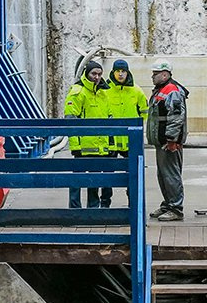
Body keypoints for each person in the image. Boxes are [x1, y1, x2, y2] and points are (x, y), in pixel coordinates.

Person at [64, 60, 112, 208]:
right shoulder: (78, 92)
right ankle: (75, 209)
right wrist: (75, 146)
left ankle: (93, 209)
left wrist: (109, 144)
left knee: (94, 180)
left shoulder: (104, 92)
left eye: (99, 74)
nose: (97, 77)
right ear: (86, 73)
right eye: (93, 74)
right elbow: (71, 120)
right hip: (83, 146)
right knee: (77, 180)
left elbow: (109, 119)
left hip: (99, 146)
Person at [147, 61, 188, 221]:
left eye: (155, 74)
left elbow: (176, 118)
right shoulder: (162, 90)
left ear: (165, 74)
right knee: (164, 175)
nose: (152, 76)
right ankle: (168, 204)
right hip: (162, 141)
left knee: (171, 176)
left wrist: (172, 139)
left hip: (169, 143)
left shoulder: (172, 91)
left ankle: (176, 209)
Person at [104, 59, 149, 206]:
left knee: (133, 174)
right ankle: (105, 204)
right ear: (113, 72)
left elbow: (145, 111)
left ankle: (133, 204)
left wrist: (138, 128)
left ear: (128, 72)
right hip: (111, 140)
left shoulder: (136, 90)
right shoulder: (105, 90)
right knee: (107, 174)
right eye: (118, 71)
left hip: (130, 140)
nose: (121, 74)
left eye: (123, 71)